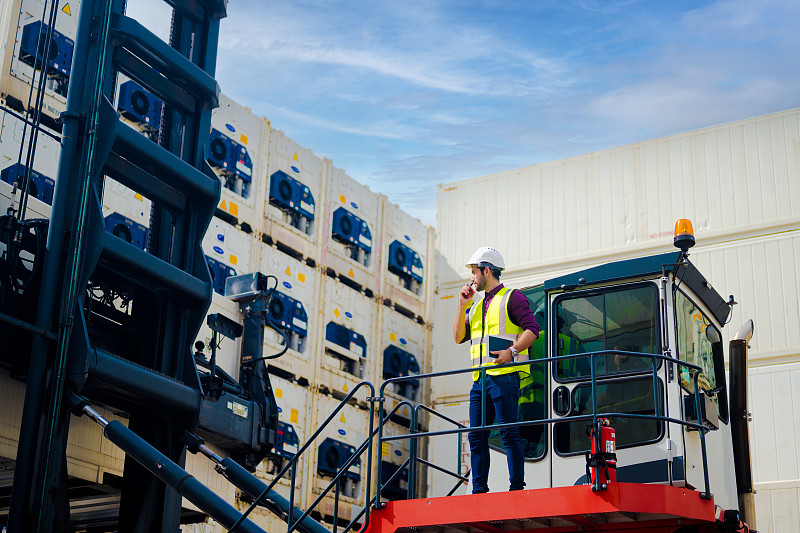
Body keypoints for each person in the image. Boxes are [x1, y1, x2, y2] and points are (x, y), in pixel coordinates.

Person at [452, 247, 538, 493]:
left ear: (486, 270)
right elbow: (458, 337)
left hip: (504, 378)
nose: (472, 277)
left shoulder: (513, 297)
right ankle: (479, 491)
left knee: (509, 433)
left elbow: (532, 328)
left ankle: (516, 489)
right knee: (476, 437)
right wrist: (461, 306)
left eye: (474, 272)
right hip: (480, 380)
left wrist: (511, 352)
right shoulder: (475, 306)